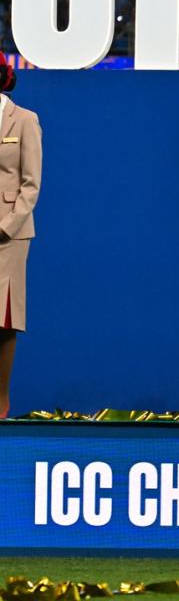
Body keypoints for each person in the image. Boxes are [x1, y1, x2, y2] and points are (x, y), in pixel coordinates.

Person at [0, 64, 41, 419]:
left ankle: (0, 403)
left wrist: (6, 225)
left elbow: (31, 184)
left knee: (3, 320)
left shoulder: (25, 120)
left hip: (8, 236)